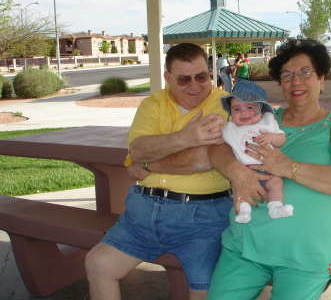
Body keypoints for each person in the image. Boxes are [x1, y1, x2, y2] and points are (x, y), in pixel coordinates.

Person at [207, 38, 331, 300]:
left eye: (305, 72)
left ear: (321, 79)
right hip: (245, 247)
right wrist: (235, 171)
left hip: (310, 256)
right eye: (287, 75)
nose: (296, 81)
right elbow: (217, 146)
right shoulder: (263, 118)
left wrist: (287, 166)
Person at [85, 43, 233, 300]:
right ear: (168, 78)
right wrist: (185, 137)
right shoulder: (153, 103)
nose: (195, 85)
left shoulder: (225, 104)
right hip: (143, 212)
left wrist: (148, 165)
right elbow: (138, 148)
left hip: (202, 219)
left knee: (205, 291)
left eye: (201, 76)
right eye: (184, 79)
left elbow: (203, 159)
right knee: (98, 264)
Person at [220, 80, 293, 223]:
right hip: (244, 170)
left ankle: (275, 207)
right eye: (236, 109)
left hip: (269, 171)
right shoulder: (231, 128)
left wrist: (272, 137)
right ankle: (243, 212)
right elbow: (219, 145)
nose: (243, 112)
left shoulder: (267, 123)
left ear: (262, 110)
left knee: (277, 182)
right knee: (240, 190)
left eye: (250, 107)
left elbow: (282, 139)